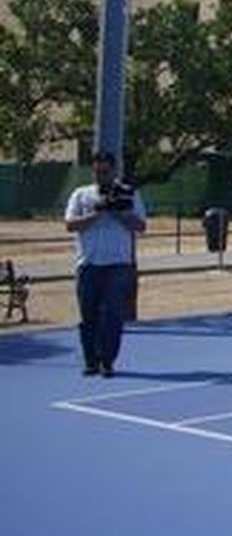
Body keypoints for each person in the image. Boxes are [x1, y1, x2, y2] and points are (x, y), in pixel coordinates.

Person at [64, 151, 146, 377]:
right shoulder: (81, 195)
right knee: (87, 315)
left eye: (106, 171)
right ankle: (91, 360)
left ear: (114, 171)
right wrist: (96, 213)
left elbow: (140, 226)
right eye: (98, 172)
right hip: (89, 264)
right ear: (93, 171)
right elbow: (70, 225)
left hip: (118, 264)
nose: (102, 176)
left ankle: (107, 360)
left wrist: (118, 212)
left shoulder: (129, 193)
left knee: (113, 315)